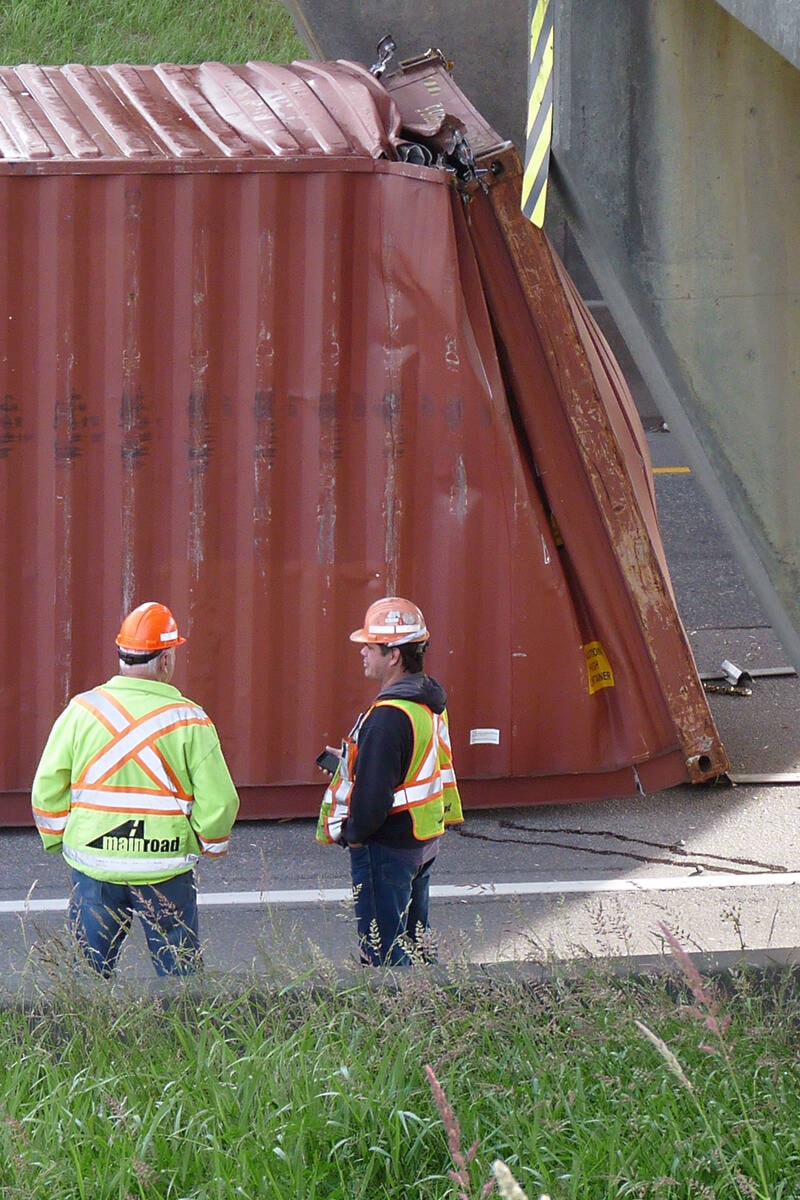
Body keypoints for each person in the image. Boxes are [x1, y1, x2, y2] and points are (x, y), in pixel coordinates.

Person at [31, 601, 240, 978]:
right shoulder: (190, 718)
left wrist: (59, 837)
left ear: (121, 654)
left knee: (89, 977)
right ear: (164, 661)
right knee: (181, 979)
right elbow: (221, 801)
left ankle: (88, 1035)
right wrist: (208, 843)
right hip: (165, 867)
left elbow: (47, 787)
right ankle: (182, 1036)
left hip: (94, 864)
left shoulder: (83, 710)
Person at [316, 596, 463, 966]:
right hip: (420, 842)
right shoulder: (425, 702)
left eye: (370, 646)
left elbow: (373, 803)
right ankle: (431, 1013)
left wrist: (352, 833)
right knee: (416, 946)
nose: (363, 652)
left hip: (386, 850)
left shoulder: (387, 717)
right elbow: (412, 766)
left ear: (394, 655)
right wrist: (353, 762)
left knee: (384, 957)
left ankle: (395, 1018)